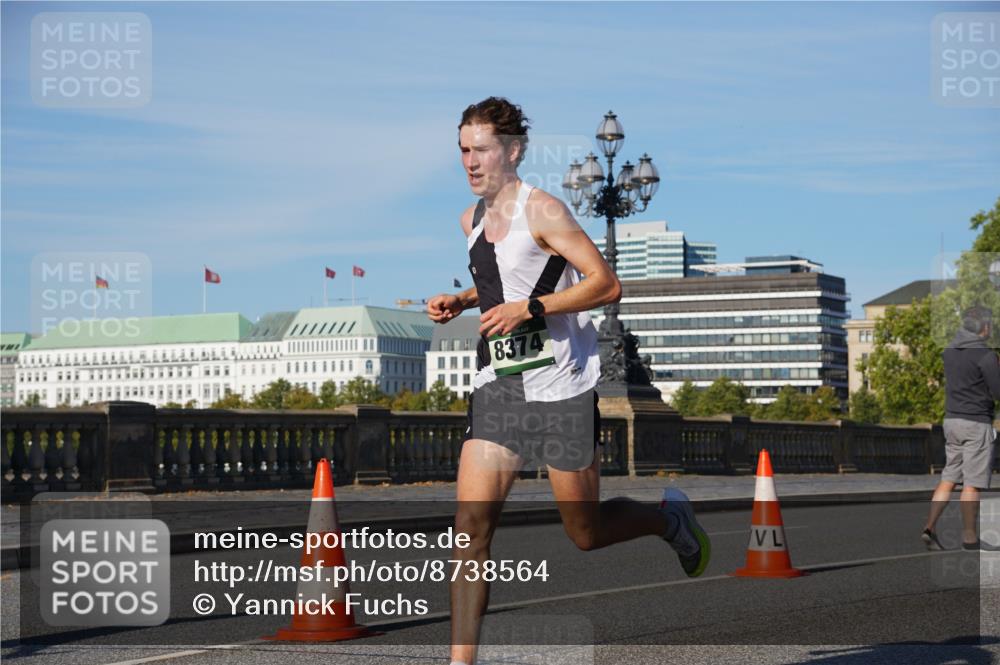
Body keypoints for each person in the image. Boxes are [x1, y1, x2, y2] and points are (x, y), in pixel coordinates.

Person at [426, 97, 711, 665]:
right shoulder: (471, 219)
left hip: (560, 387)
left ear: (512, 151)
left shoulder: (546, 211)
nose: (470, 161)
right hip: (500, 384)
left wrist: (531, 309)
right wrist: (461, 300)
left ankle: (668, 519)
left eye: (480, 149)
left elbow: (606, 285)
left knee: (584, 531)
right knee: (470, 528)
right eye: (463, 149)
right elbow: (502, 285)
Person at [923, 305, 1000, 551]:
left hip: (952, 420)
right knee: (972, 483)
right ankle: (969, 537)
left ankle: (929, 527)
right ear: (984, 327)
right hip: (976, 422)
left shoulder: (950, 350)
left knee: (948, 478)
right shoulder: (985, 355)